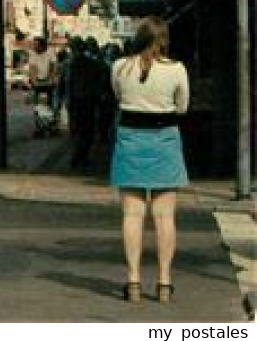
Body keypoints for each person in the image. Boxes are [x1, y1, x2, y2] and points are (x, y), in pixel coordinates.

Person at [109, 17, 189, 304]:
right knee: (165, 217)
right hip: (164, 140)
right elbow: (183, 107)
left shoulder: (119, 66)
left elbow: (118, 97)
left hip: (130, 139)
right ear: (163, 40)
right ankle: (164, 283)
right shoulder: (177, 69)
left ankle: (133, 282)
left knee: (132, 216)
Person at [68, 39, 108, 170]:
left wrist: (68, 100)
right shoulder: (94, 63)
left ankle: (78, 155)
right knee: (87, 130)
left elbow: (68, 83)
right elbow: (100, 80)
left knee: (77, 130)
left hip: (77, 100)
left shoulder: (72, 64)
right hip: (89, 100)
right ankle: (82, 156)